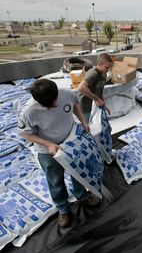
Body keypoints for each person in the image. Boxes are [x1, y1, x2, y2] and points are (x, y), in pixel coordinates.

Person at [18, 79, 100, 228]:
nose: (53, 106)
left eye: (53, 101)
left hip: (71, 140)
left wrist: (83, 121)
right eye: (47, 105)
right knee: (55, 179)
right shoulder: (29, 112)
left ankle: (81, 196)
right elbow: (25, 134)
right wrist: (49, 144)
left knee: (78, 170)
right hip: (48, 150)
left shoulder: (66, 93)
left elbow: (75, 104)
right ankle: (63, 208)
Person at [77, 53, 113, 121]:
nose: (108, 70)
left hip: (93, 105)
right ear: (99, 64)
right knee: (86, 126)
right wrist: (97, 99)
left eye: (110, 67)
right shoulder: (93, 73)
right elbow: (81, 88)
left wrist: (103, 104)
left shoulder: (104, 74)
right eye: (107, 67)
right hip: (85, 106)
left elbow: (100, 91)